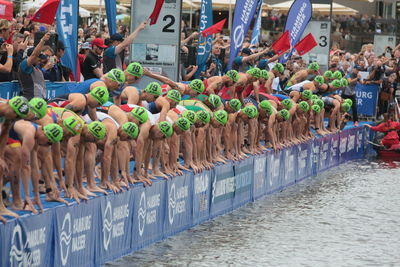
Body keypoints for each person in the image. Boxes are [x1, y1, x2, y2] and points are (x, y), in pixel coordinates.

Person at [18, 32, 51, 100]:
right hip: (29, 101)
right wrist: (43, 41)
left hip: (40, 102)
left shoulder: (38, 69)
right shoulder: (24, 66)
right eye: (39, 57)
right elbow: (34, 55)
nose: (40, 59)